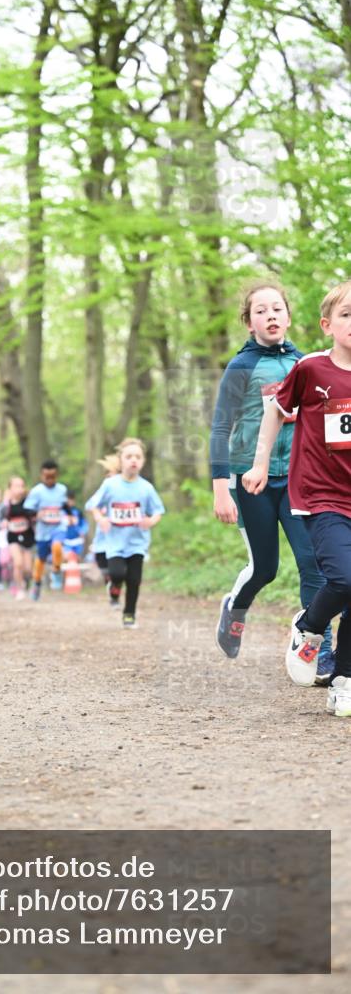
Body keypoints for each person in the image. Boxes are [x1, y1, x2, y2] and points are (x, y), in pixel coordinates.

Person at [210, 281, 333, 681]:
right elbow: (220, 428)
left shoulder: (306, 364)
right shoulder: (240, 367)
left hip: (299, 479)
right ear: (249, 323)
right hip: (251, 480)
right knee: (265, 568)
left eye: (277, 309)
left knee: (314, 565)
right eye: (261, 311)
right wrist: (220, 488)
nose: (271, 316)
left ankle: (320, 653)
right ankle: (236, 605)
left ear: (289, 316)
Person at [242, 280, 351, 717]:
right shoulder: (311, 369)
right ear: (327, 324)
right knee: (344, 578)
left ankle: (343, 679)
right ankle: (308, 627)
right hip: (321, 495)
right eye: (347, 314)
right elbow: (275, 409)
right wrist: (259, 462)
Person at [86, 438, 164, 629]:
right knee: (117, 573)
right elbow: (92, 505)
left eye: (138, 456)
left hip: (137, 543)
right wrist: (101, 519)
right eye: (129, 456)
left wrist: (150, 521)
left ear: (143, 461)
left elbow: (158, 511)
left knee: (134, 580)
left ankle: (129, 614)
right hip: (115, 543)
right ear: (121, 460)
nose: (133, 460)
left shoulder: (146, 487)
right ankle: (113, 590)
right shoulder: (110, 485)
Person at [24, 459, 67, 600]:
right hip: (43, 531)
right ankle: (36, 582)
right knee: (41, 559)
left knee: (57, 546)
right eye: (47, 477)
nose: (49, 480)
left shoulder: (62, 489)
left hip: (58, 527)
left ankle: (56, 571)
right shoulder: (36, 491)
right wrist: (36, 514)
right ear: (41, 475)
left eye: (52, 477)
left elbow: (65, 506)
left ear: (57, 475)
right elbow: (28, 509)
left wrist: (71, 515)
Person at [0, 476, 35, 600]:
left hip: (27, 536)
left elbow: (34, 514)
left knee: (27, 568)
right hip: (13, 536)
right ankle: (19, 589)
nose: (19, 488)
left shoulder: (28, 501)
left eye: (21, 485)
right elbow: (1, 517)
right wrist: (3, 522)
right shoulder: (6, 504)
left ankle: (26, 583)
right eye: (16, 486)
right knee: (17, 563)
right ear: (10, 488)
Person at [89, 454, 120, 587]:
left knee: (118, 572)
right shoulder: (104, 489)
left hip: (120, 542)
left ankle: (115, 588)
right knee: (106, 570)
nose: (110, 478)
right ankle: (112, 589)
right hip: (102, 541)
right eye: (107, 475)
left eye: (112, 474)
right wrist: (99, 516)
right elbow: (91, 504)